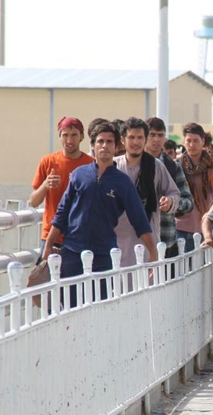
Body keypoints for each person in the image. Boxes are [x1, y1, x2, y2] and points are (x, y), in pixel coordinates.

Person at [42, 122, 158, 306]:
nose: (104, 146)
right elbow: (62, 213)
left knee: (98, 306)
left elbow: (140, 220)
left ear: (116, 146)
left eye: (109, 142)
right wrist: (48, 245)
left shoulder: (123, 182)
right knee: (69, 307)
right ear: (93, 145)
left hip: (104, 254)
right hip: (72, 251)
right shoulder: (79, 175)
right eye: (100, 141)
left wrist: (153, 252)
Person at [113, 117, 180, 267]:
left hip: (148, 242)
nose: (135, 142)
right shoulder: (113, 166)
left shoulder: (156, 166)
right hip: (117, 243)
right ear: (123, 140)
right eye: (131, 137)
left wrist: (169, 202)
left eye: (139, 138)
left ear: (145, 139)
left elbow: (174, 193)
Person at [30, 117, 94, 255]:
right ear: (59, 137)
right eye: (65, 135)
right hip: (51, 238)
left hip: (81, 237)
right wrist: (46, 185)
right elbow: (33, 202)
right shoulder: (48, 162)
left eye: (74, 135)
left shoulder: (91, 164)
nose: (69, 140)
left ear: (82, 137)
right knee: (48, 276)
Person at [145, 117, 194, 260]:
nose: (156, 140)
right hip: (138, 242)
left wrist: (173, 203)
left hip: (166, 239)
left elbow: (188, 202)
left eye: (160, 135)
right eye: (152, 135)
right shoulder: (134, 163)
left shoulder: (172, 166)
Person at [175, 123, 213, 252]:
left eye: (196, 141)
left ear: (203, 141)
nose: (192, 145)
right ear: (184, 142)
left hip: (207, 226)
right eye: (188, 141)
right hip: (180, 225)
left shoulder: (212, 166)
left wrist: (210, 216)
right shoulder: (176, 165)